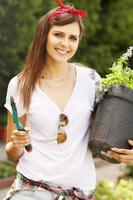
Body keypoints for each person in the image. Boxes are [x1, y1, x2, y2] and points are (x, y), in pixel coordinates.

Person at [4, 1, 133, 200]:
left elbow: (110, 132)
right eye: (58, 35)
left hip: (79, 193)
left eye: (73, 38)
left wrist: (127, 151)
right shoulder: (20, 84)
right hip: (32, 189)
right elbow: (12, 152)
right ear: (43, 36)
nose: (65, 44)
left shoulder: (91, 80)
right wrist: (18, 143)